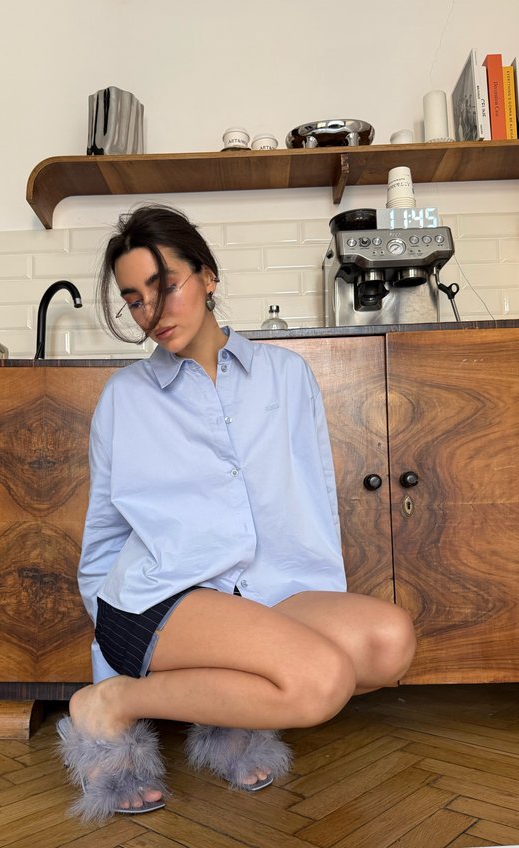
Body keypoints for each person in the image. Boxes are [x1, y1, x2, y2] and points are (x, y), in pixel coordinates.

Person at [57, 204, 416, 823]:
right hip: (160, 596)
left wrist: (309, 610)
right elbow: (106, 534)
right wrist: (108, 635)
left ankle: (223, 711)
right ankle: (111, 700)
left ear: (208, 276)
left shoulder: (287, 376)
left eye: (164, 286)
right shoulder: (125, 399)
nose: (151, 312)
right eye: (134, 299)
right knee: (320, 680)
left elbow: (311, 500)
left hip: (268, 587)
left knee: (389, 643)